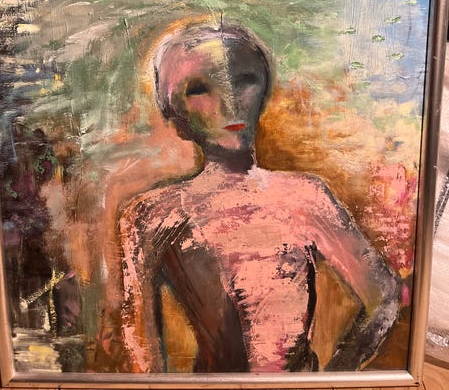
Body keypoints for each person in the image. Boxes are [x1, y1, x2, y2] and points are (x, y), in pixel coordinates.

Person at [118, 21, 399, 373]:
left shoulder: (306, 198)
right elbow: (142, 351)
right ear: (176, 117)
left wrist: (333, 376)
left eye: (244, 80)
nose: (229, 101)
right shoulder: (153, 216)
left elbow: (385, 296)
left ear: (264, 91)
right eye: (200, 88)